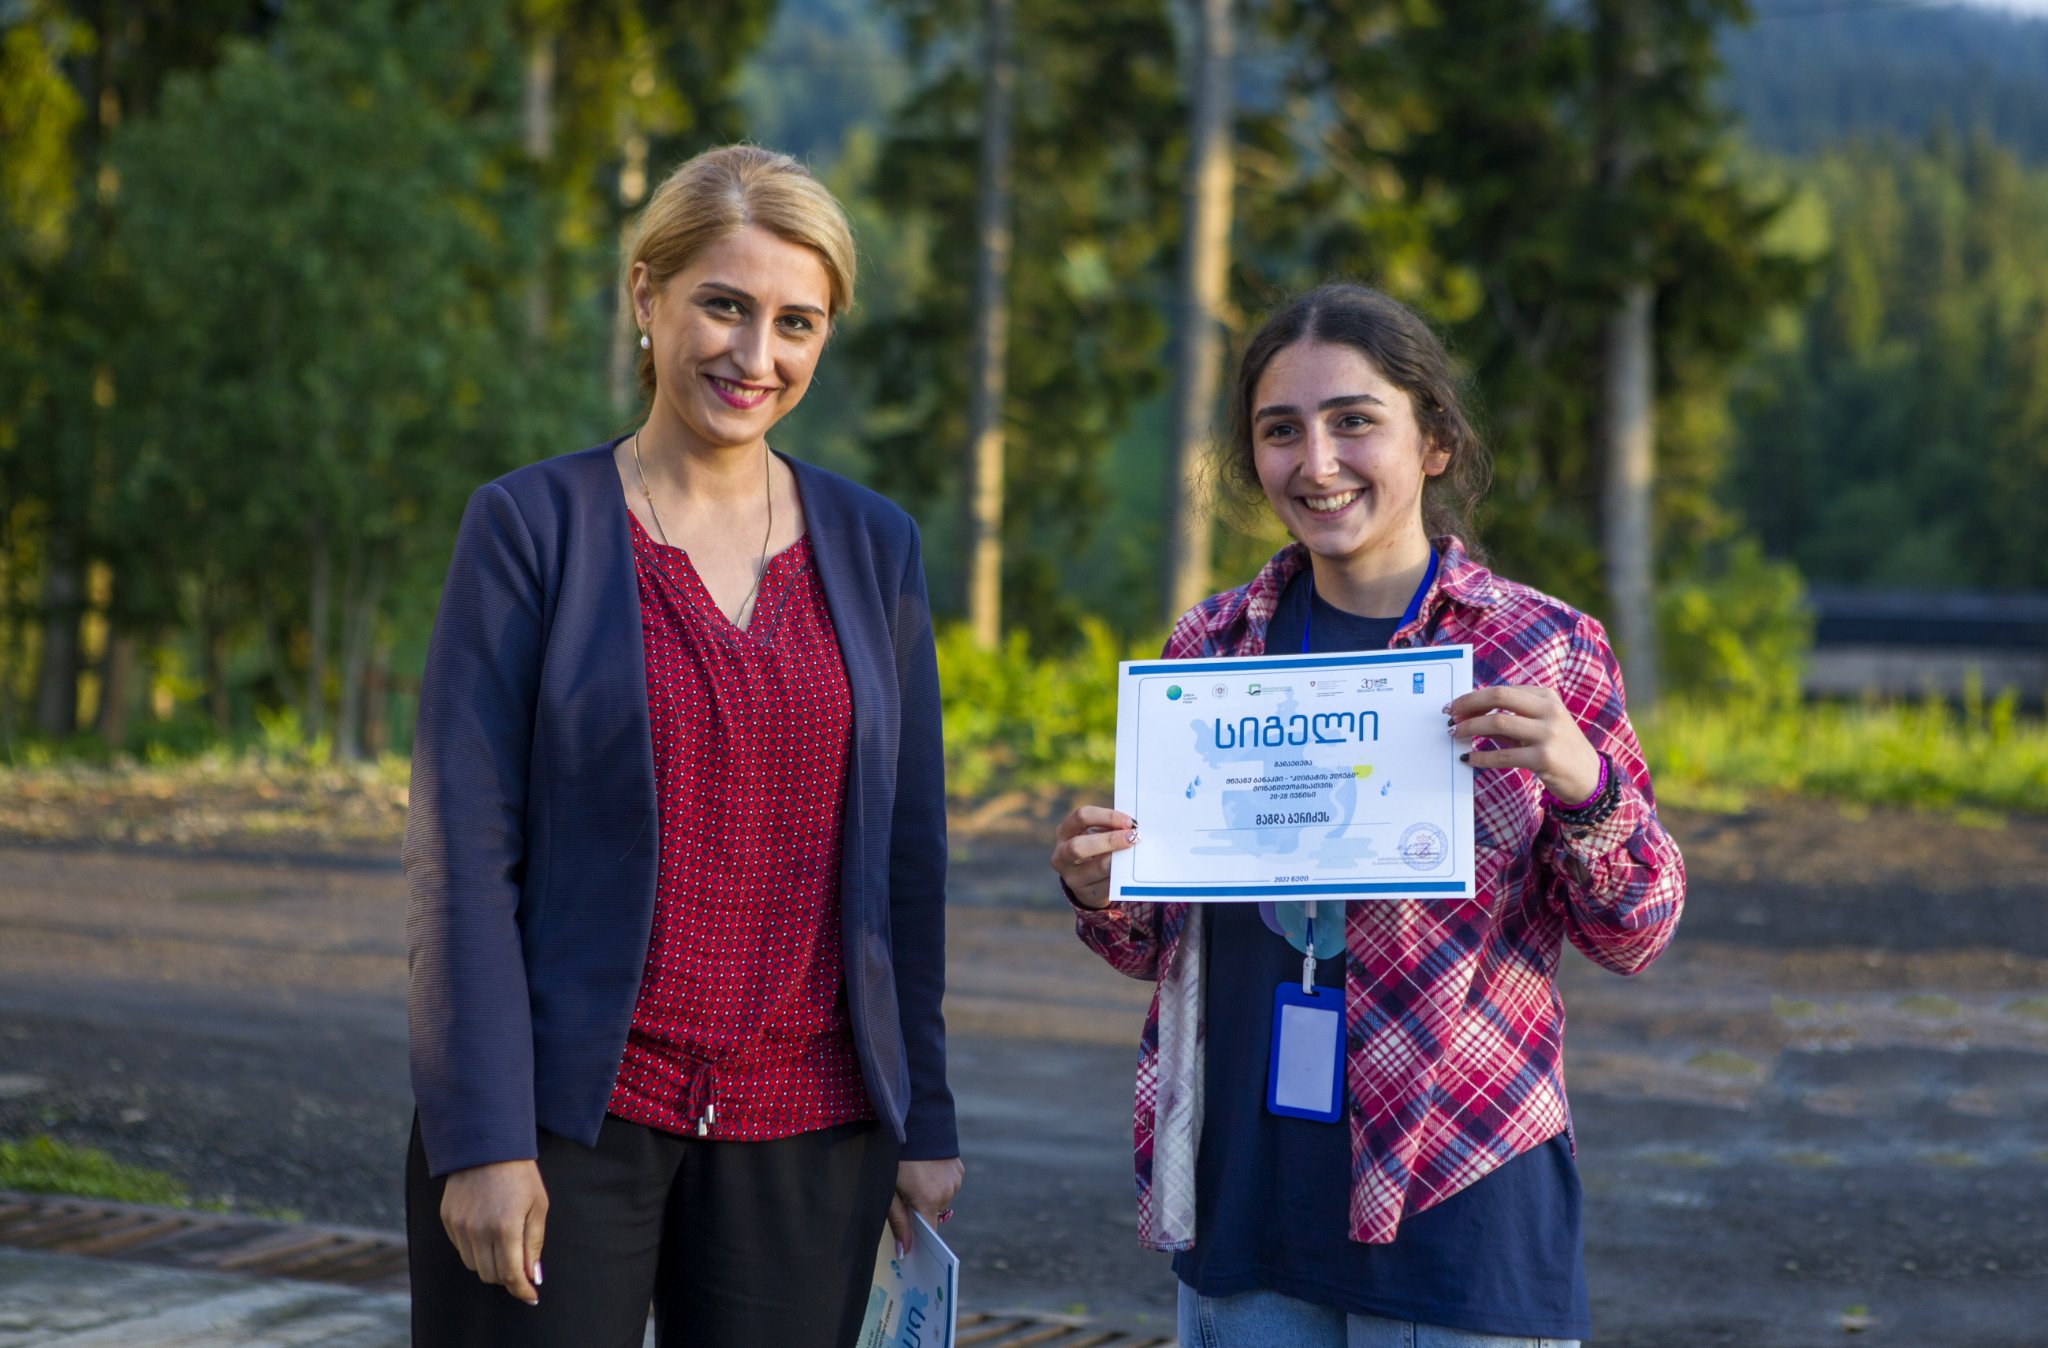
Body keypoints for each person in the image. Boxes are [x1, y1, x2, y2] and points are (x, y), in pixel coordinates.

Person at [1050, 283, 1684, 1348]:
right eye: (1280, 430)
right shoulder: (1209, 650)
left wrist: (1588, 785)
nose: (1317, 461)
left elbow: (1636, 934)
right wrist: (1098, 884)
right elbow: (1155, 943)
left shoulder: (1539, 647)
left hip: (1459, 1194)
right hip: (1249, 1203)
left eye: (1353, 420)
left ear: (1434, 441)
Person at [403, 144, 963, 1348]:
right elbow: (463, 860)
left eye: (795, 322)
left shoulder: (876, 546)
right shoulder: (530, 527)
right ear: (645, 295)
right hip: (564, 1121)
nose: (755, 355)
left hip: (810, 1129)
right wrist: (483, 1136)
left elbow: (906, 864)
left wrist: (924, 1116)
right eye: (723, 304)